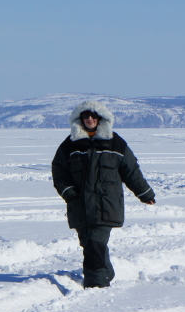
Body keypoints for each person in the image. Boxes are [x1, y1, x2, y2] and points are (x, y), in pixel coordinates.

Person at [51, 101, 155, 288]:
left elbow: (131, 171)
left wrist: (144, 193)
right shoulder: (70, 144)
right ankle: (106, 271)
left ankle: (96, 285)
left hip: (106, 204)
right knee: (88, 243)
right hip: (80, 205)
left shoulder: (115, 143)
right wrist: (70, 194)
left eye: (93, 116)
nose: (90, 119)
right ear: (80, 119)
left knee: (95, 244)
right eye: (86, 116)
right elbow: (59, 172)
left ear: (100, 118)